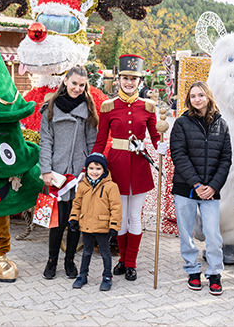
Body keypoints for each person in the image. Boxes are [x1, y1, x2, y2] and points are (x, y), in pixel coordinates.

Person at [92, 54, 167, 281]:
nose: (129, 82)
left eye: (133, 79)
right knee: (121, 217)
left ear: (140, 81)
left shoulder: (148, 106)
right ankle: (123, 260)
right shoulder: (108, 107)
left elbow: (155, 137)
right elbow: (100, 139)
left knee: (135, 216)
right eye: (125, 78)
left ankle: (131, 263)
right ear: (119, 79)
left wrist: (161, 145)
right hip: (116, 167)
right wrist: (93, 163)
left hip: (140, 166)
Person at [169, 81, 232, 295]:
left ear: (208, 97)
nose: (197, 99)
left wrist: (213, 186)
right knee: (186, 232)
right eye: (193, 96)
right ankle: (192, 269)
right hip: (185, 188)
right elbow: (179, 155)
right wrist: (196, 184)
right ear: (189, 99)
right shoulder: (181, 123)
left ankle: (214, 272)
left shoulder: (222, 125)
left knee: (213, 233)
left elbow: (226, 159)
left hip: (211, 191)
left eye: (201, 95)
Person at [39, 66, 99, 280]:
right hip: (57, 174)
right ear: (65, 81)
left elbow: (93, 143)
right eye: (74, 83)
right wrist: (46, 169)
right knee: (58, 221)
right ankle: (52, 260)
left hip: (79, 174)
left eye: (82, 85)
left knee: (76, 222)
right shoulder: (50, 108)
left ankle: (69, 261)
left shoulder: (88, 109)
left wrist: (91, 171)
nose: (77, 88)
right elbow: (45, 141)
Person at [69, 153, 122, 291]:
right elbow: (77, 204)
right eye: (91, 168)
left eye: (98, 168)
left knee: (105, 252)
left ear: (104, 170)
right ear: (86, 169)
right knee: (87, 251)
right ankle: (83, 275)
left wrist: (114, 226)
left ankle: (107, 277)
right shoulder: (82, 185)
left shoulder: (111, 186)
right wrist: (74, 218)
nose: (94, 172)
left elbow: (116, 207)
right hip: (86, 224)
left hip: (103, 226)